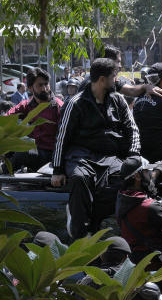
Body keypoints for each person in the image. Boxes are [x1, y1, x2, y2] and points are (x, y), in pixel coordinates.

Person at [51, 57, 140, 239]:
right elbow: (62, 137)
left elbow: (132, 129)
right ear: (102, 80)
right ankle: (79, 231)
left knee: (127, 180)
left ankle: (92, 219)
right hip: (81, 156)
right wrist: (58, 170)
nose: (116, 80)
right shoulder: (75, 103)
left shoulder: (118, 101)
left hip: (109, 157)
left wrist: (133, 155)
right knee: (79, 178)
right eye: (114, 77)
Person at [115, 157, 162, 264]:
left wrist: (157, 171)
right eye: (146, 171)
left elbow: (148, 185)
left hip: (132, 257)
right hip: (151, 262)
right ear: (137, 176)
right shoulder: (148, 206)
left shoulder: (122, 196)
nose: (149, 173)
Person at [4, 68, 64, 173]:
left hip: (53, 155)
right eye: (40, 85)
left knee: (23, 154)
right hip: (35, 149)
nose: (45, 88)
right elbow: (7, 117)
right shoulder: (27, 105)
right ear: (31, 88)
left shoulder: (58, 106)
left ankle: (0, 170)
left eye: (46, 84)